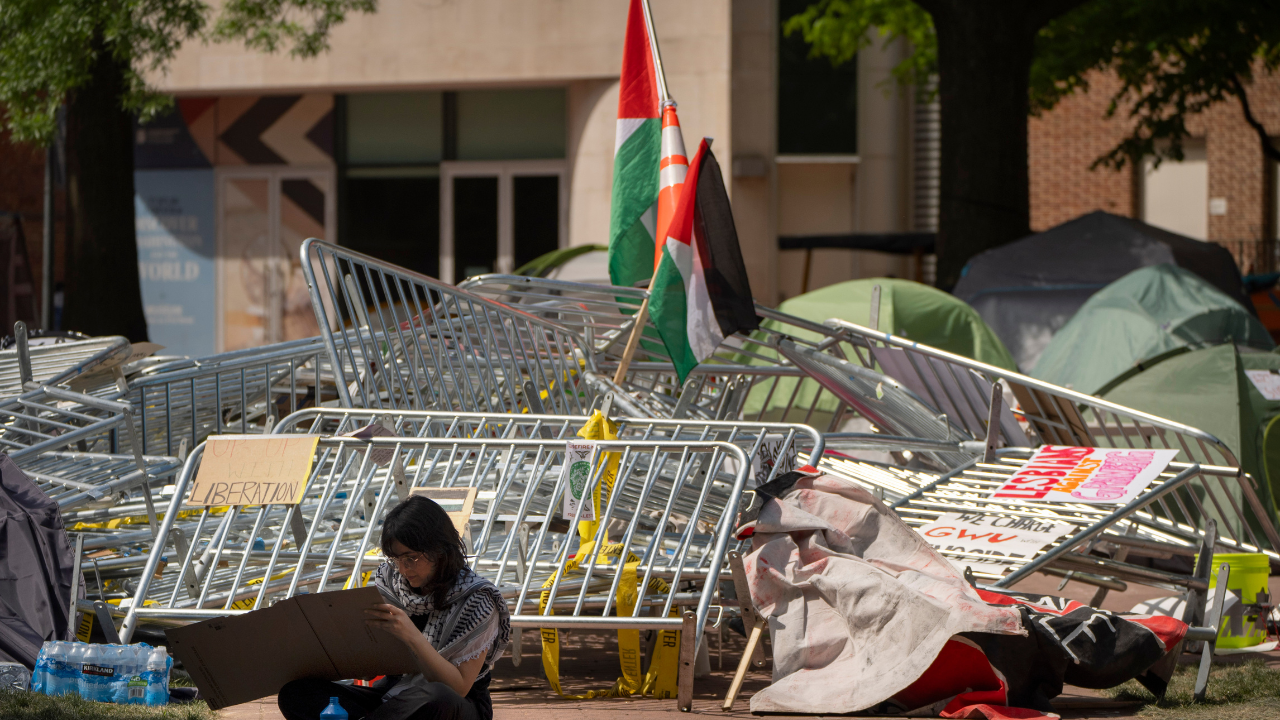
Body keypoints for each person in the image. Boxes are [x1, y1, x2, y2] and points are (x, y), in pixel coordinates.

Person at [277, 496, 510, 720]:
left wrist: (411, 636)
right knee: (297, 693)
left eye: (412, 557)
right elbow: (378, 662)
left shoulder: (478, 599)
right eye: (396, 558)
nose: (404, 568)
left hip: (454, 706)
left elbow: (458, 687)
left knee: (436, 697)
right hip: (392, 698)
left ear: (440, 549)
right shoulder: (390, 582)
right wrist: (356, 659)